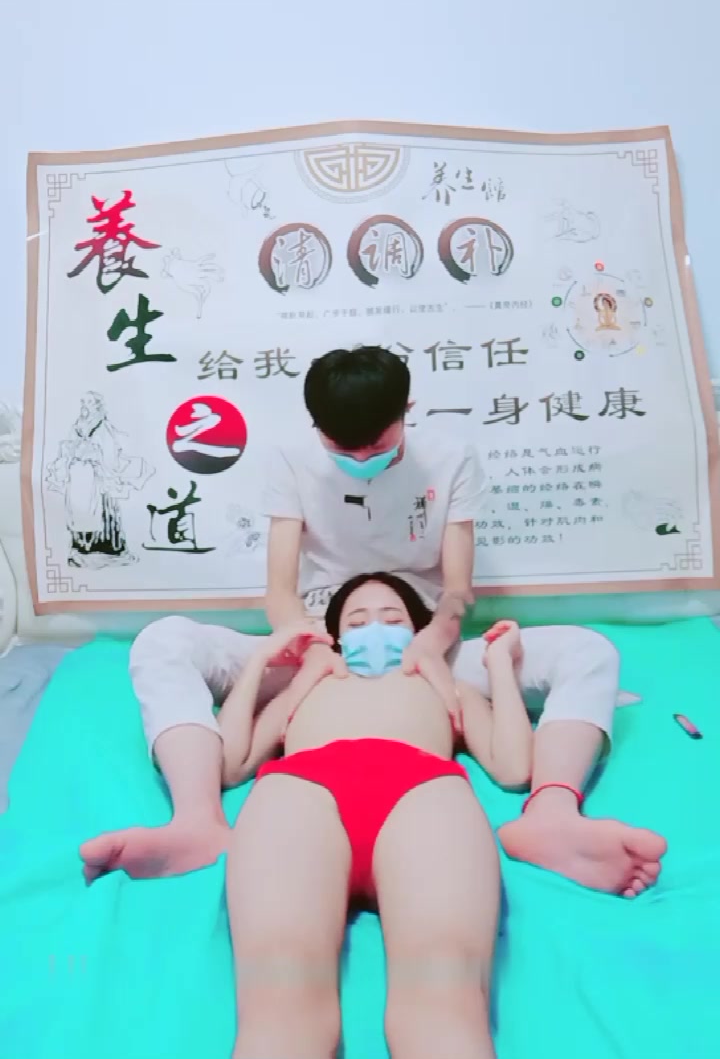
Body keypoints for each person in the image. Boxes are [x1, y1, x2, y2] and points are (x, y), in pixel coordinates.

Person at [80, 346, 667, 894]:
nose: (361, 459)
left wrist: (434, 643)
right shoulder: (290, 462)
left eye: (376, 444)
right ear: (315, 426)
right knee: (163, 641)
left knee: (588, 651)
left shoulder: (451, 459)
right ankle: (196, 820)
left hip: (422, 642)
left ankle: (553, 816)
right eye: (343, 448)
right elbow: (280, 591)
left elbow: (457, 589)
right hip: (321, 641)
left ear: (406, 409)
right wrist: (314, 649)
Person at [223, 572, 534, 1059]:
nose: (374, 629)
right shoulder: (310, 683)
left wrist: (498, 665)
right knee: (280, 981)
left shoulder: (442, 684)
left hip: (421, 793)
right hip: (302, 793)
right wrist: (260, 661)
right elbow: (229, 763)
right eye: (357, 621)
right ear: (334, 636)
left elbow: (513, 767)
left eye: (392, 620)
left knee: (445, 981)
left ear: (419, 632)